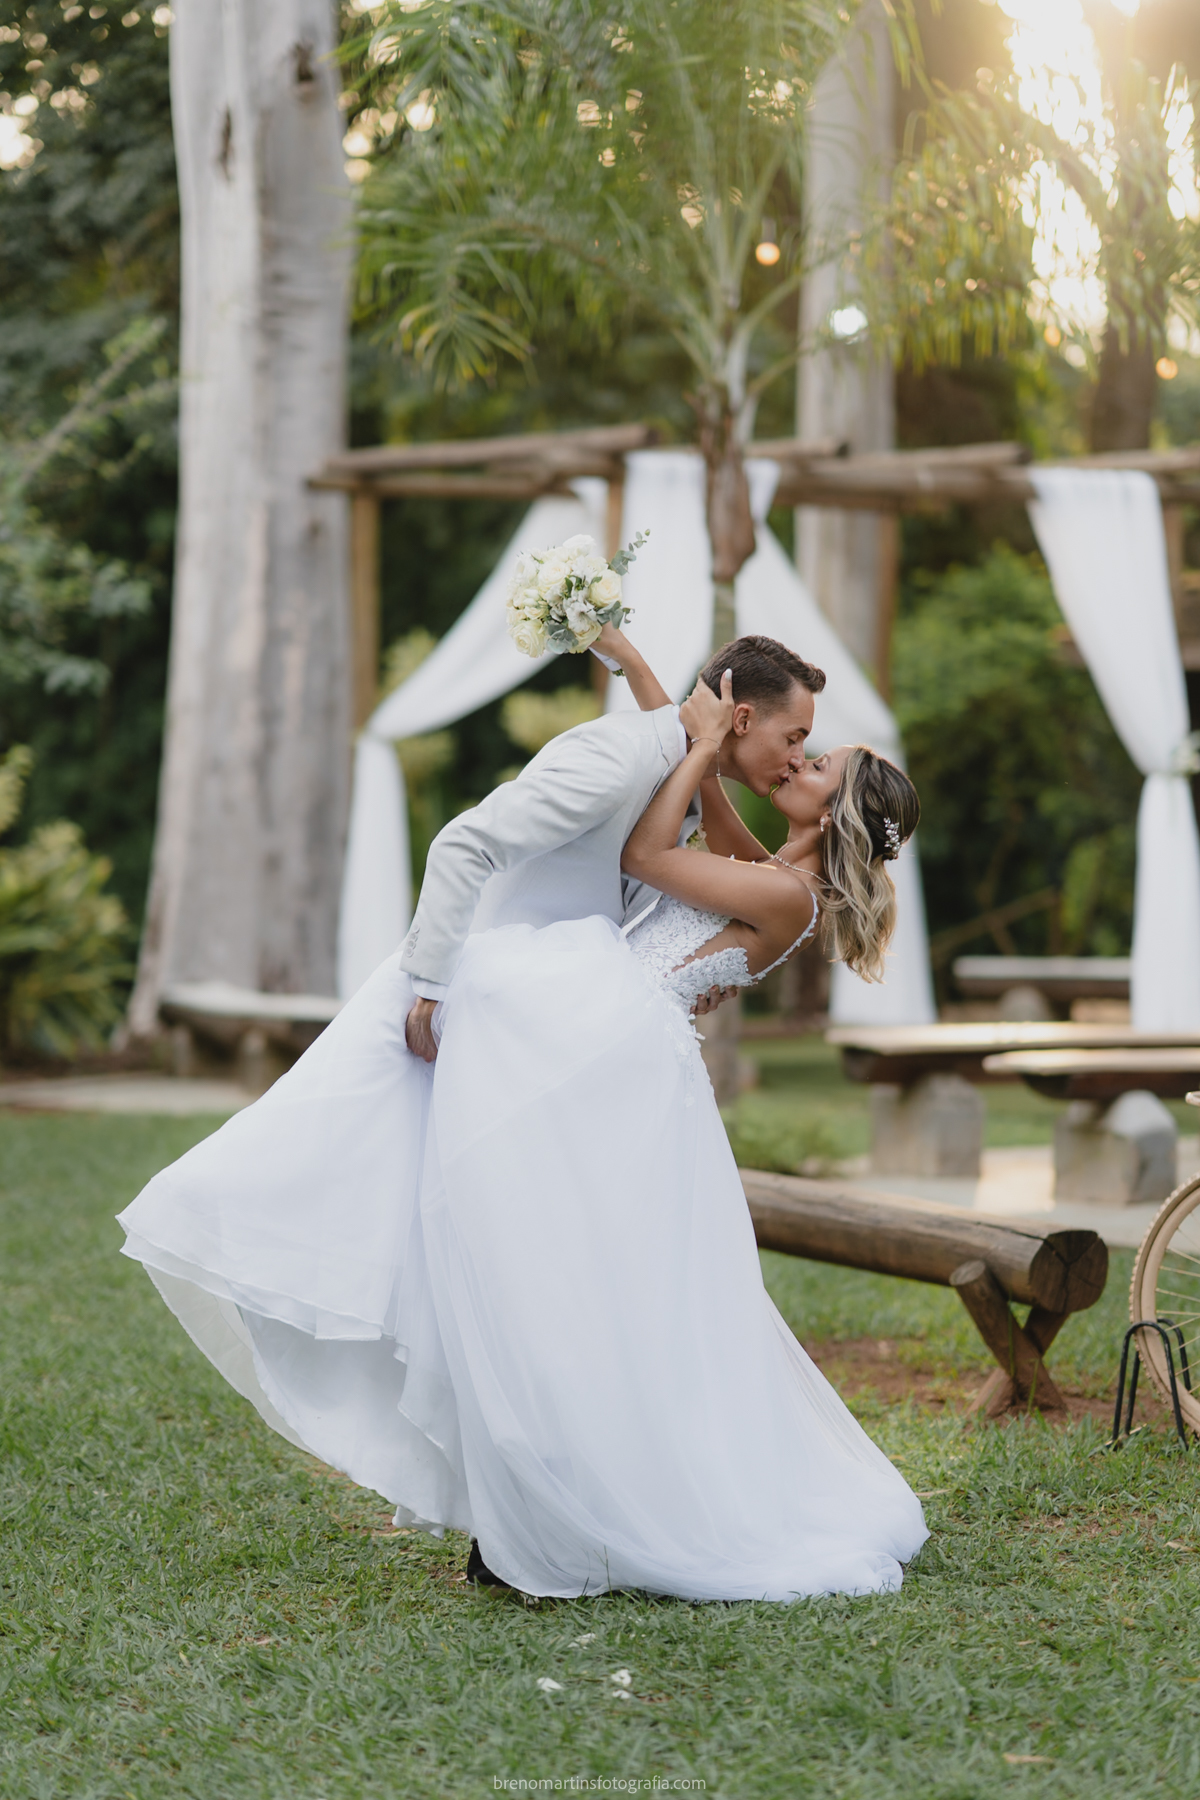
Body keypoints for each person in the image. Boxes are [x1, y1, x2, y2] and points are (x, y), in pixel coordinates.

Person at [118, 628, 926, 1602]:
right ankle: (521, 1496)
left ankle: (547, 1501)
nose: (800, 755)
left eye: (818, 759)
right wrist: (655, 688)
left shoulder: (782, 893)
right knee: (544, 1265)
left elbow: (645, 850)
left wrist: (707, 743)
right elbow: (711, 808)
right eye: (800, 739)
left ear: (831, 809)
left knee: (532, 1248)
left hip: (605, 1041)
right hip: (603, 1033)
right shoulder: (775, 867)